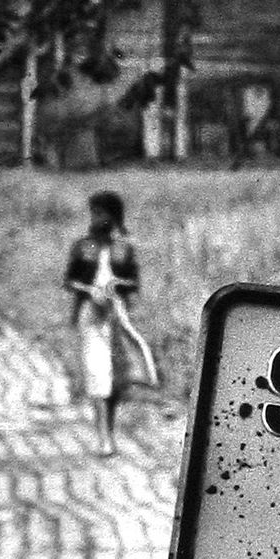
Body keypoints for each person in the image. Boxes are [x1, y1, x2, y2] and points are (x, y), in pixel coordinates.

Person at [64, 190, 159, 456]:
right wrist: (89, 290)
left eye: (100, 213)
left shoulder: (124, 248)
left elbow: (134, 283)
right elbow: (69, 280)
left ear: (113, 216)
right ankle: (104, 437)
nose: (96, 218)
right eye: (93, 213)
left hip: (117, 314)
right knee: (97, 372)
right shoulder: (83, 245)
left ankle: (110, 428)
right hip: (90, 314)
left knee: (116, 377)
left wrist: (118, 284)